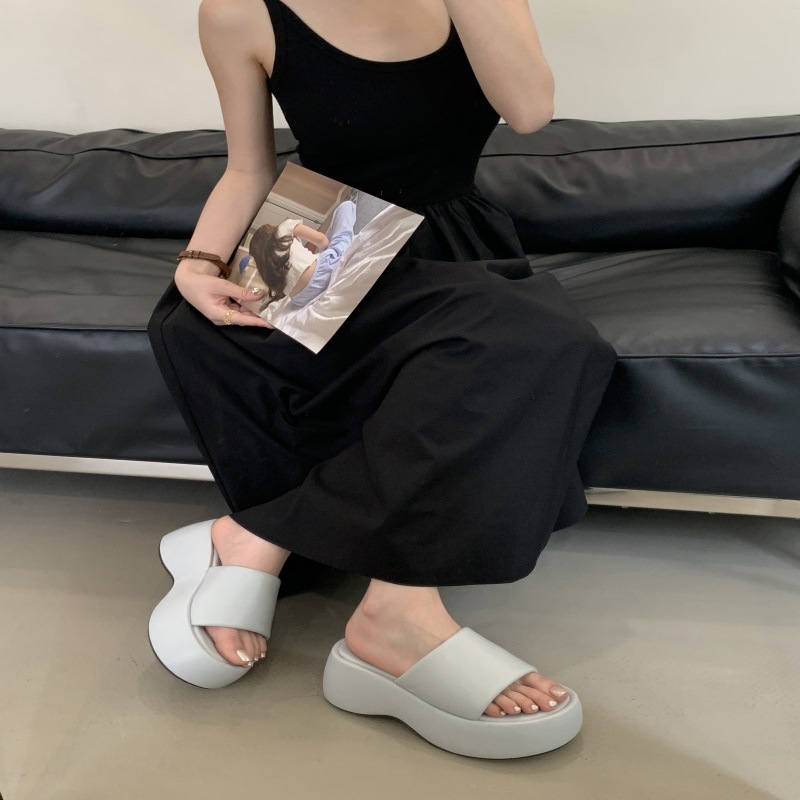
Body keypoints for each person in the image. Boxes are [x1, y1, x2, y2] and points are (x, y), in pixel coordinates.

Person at [146, 0, 618, 758]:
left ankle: (286, 549)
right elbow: (248, 168)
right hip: (321, 239)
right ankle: (350, 588)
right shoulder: (239, 10)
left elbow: (530, 111)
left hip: (449, 242)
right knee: (221, 338)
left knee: (535, 338)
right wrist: (197, 265)